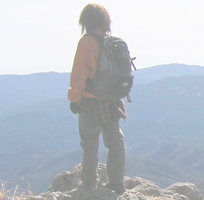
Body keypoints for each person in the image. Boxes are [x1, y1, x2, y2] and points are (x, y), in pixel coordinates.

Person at [67, 3, 127, 195]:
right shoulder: (113, 43)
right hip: (112, 101)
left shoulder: (86, 43)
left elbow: (79, 75)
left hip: (91, 102)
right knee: (115, 142)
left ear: (85, 21)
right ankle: (117, 182)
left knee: (90, 144)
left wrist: (74, 98)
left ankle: (88, 183)